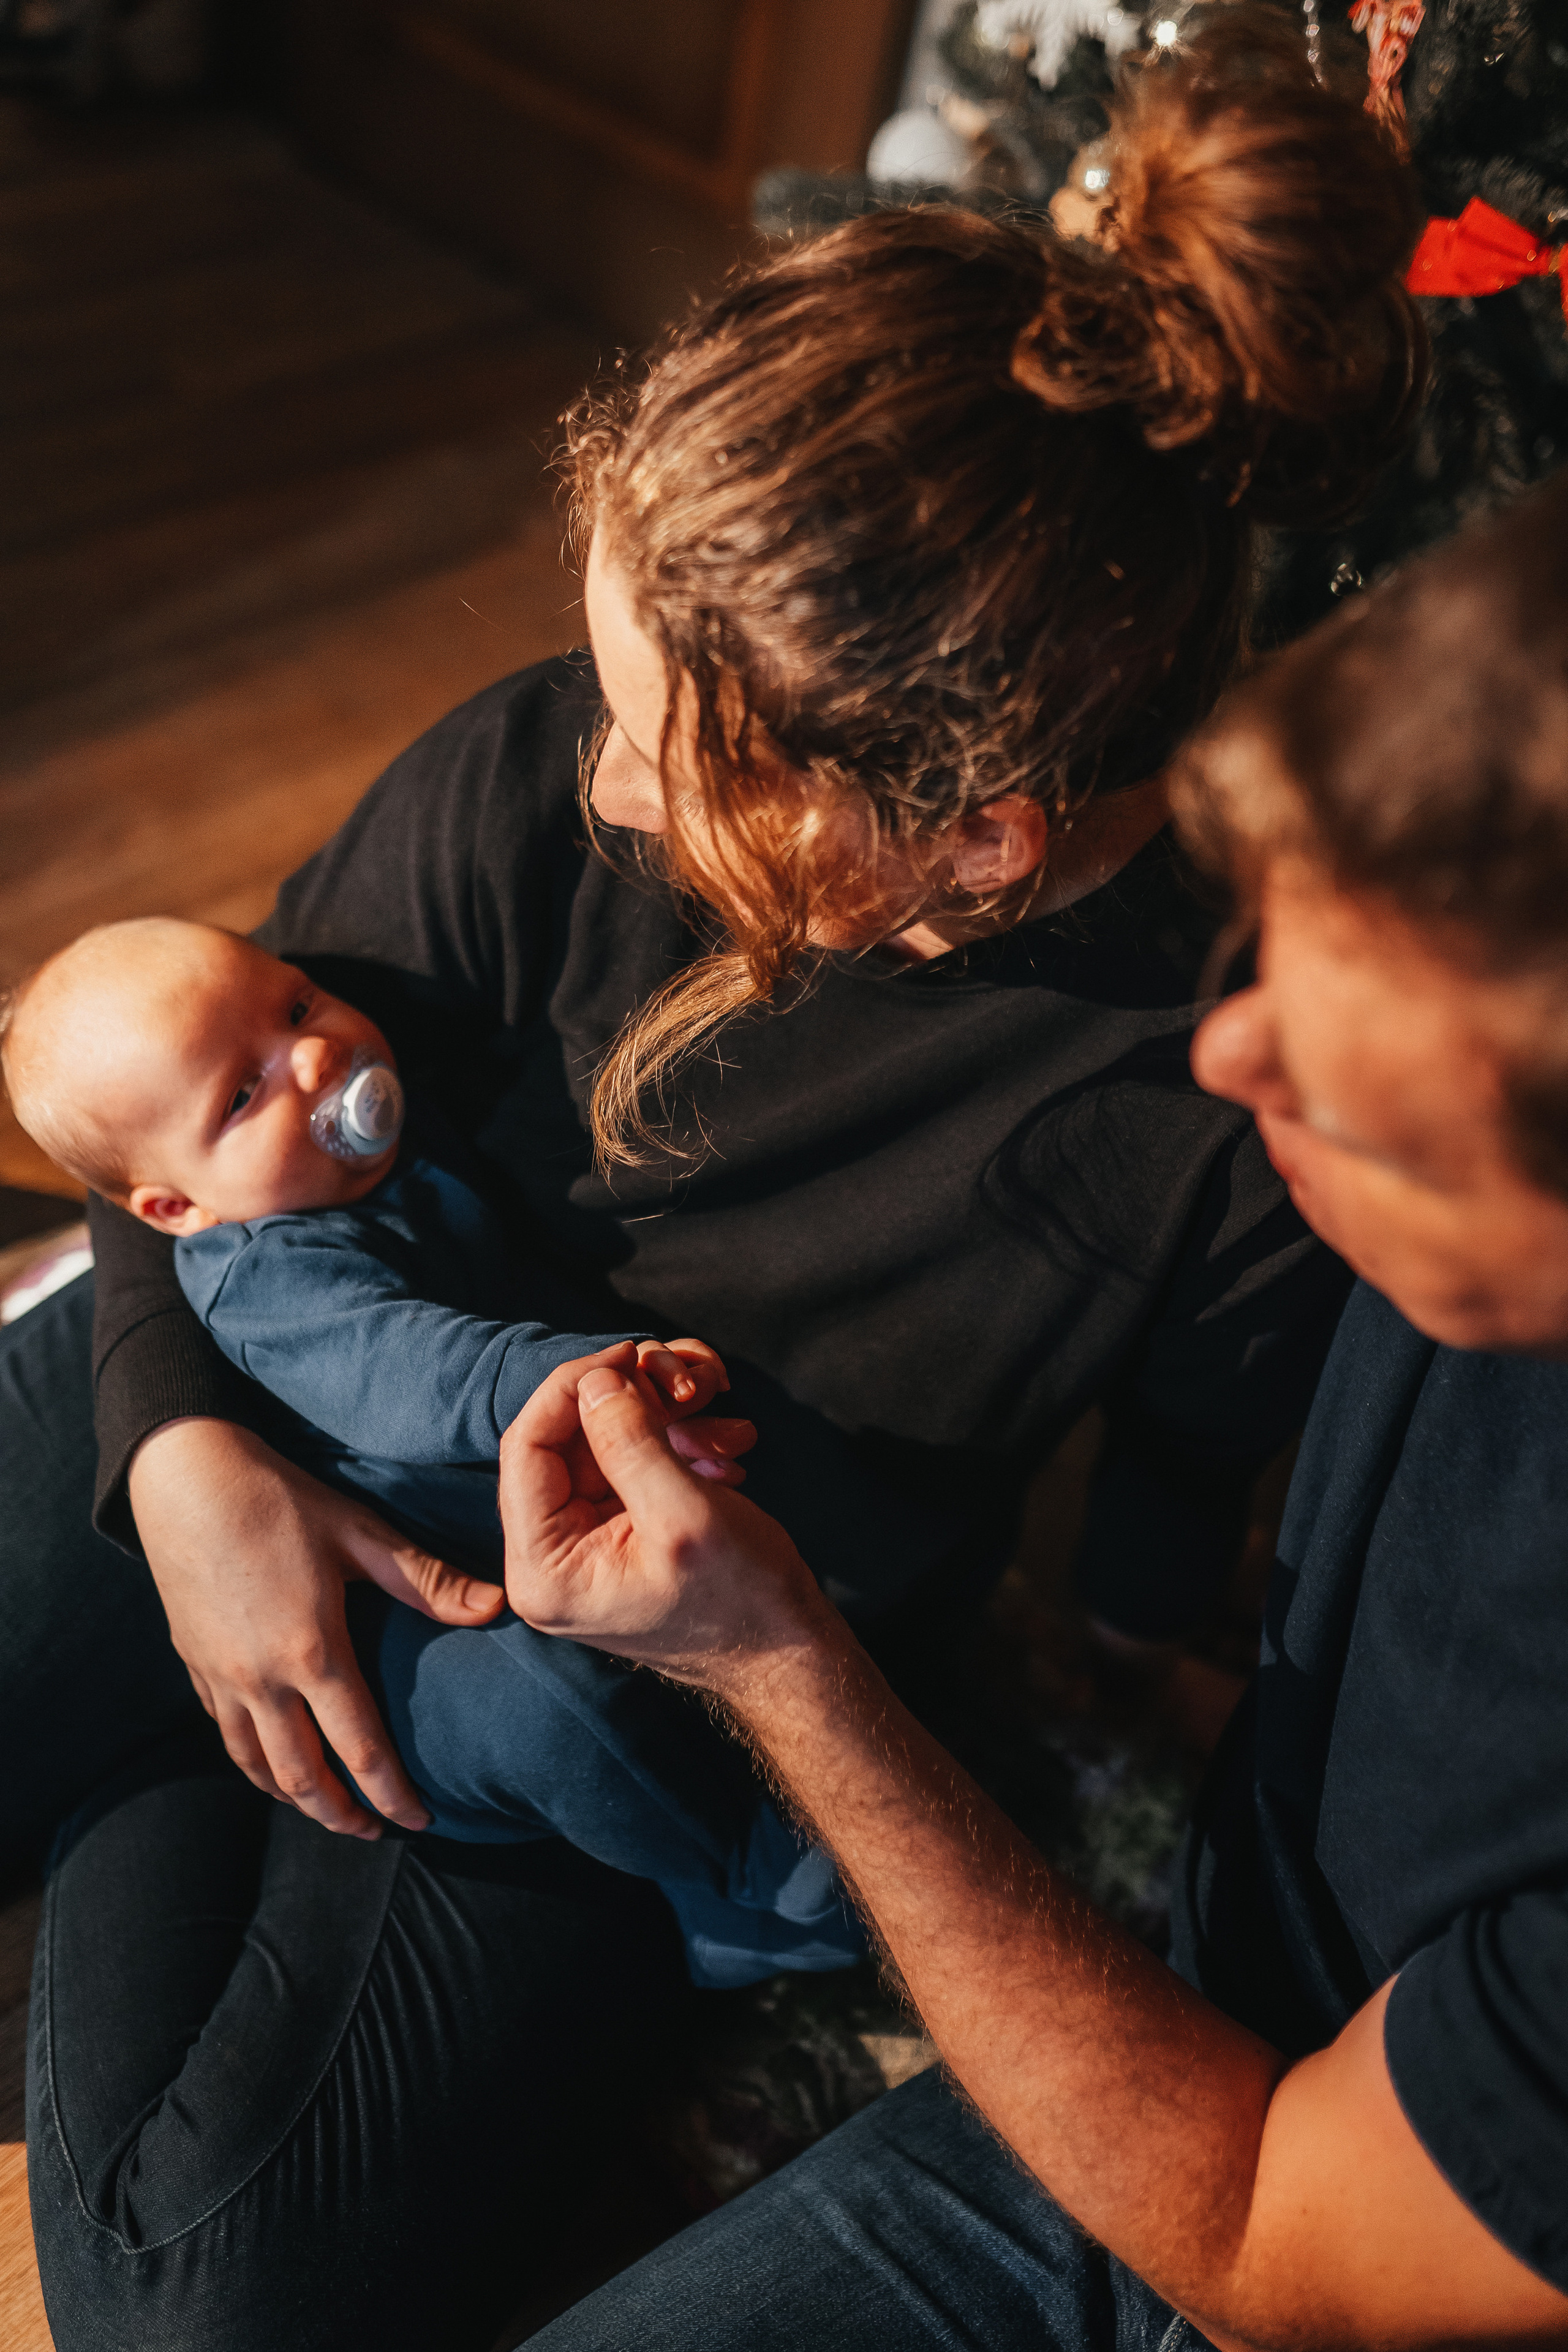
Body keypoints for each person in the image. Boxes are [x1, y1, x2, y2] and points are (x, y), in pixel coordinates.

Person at [13, 18, 1423, 2346]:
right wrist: (175, 1455)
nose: (617, 785)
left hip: (618, 1661)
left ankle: (177, 1763)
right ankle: (196, 1685)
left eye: (676, 755)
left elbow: (1182, 1512)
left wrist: (1122, 1698)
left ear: (970, 843)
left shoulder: (1222, 1099)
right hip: (281, 1352)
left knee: (202, 2307)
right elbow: (206, 1072)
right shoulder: (560, 764)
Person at [496, 472, 1568, 2352]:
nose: (1238, 1059)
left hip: (1263, 2214)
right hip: (1224, 2027)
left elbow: (1267, 2251)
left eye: (1345, 1088)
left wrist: (775, 1665)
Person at [1, 917, 865, 1984]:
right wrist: (576, 1379)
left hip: (525, 1515)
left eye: (298, 1006)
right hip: (401, 1624)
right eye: (242, 1095)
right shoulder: (265, 1279)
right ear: (176, 1208)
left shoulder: (394, 1146)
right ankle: (741, 1889)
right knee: (558, 1717)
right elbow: (409, 1370)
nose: (313, 1059)